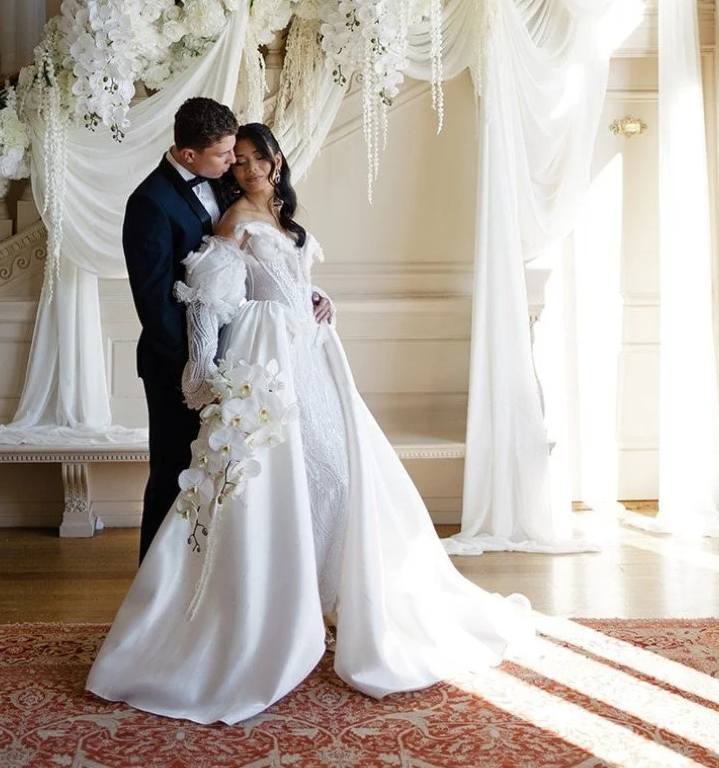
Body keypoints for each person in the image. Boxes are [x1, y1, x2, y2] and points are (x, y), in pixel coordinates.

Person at [89, 122, 532, 724]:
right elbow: (212, 299)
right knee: (267, 486)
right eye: (235, 160)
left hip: (313, 355)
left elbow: (288, 277)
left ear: (275, 159)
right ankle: (252, 616)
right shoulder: (230, 218)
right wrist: (200, 372)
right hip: (265, 359)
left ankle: (342, 601)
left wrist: (319, 297)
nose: (244, 170)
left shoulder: (283, 218)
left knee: (341, 478)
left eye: (253, 158)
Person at [122, 96, 238, 563]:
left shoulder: (224, 181)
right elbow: (154, 303)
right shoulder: (149, 203)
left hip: (231, 354)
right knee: (173, 469)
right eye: (223, 154)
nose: (233, 161)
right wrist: (195, 369)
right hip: (177, 365)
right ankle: (154, 581)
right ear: (188, 155)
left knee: (221, 468)